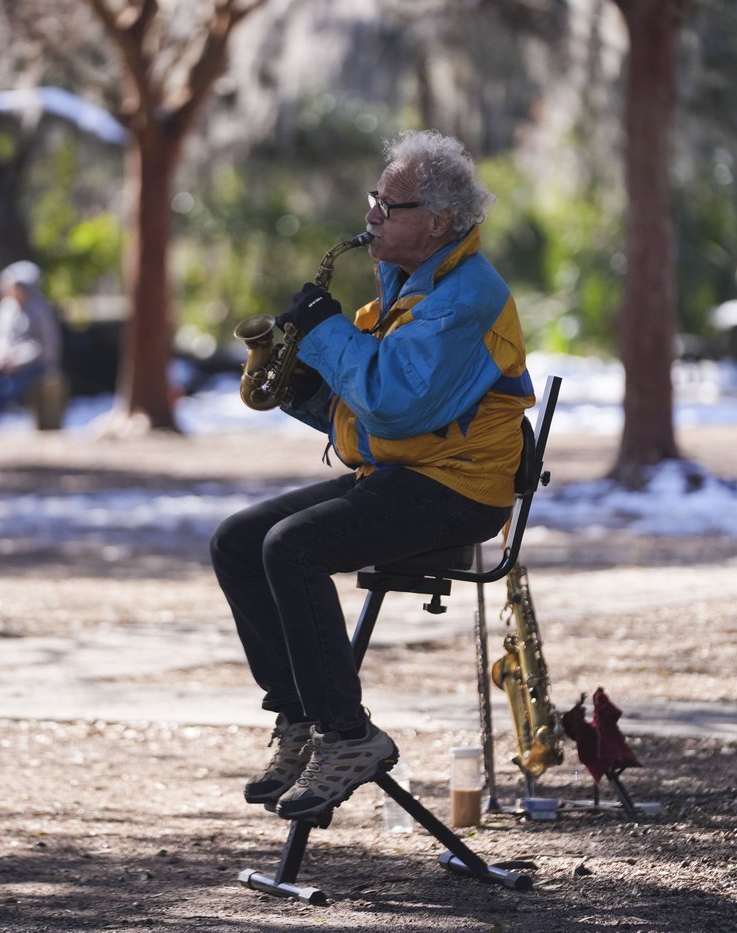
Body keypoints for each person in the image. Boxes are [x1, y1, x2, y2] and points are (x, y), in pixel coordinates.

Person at [209, 129, 535, 822]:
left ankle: (348, 737)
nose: (371, 217)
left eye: (390, 205)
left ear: (440, 222)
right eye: (373, 200)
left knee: (291, 546)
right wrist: (296, 383)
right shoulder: (410, 282)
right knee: (238, 539)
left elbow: (391, 403)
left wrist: (326, 333)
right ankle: (303, 720)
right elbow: (377, 418)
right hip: (408, 472)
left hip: (460, 490)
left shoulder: (463, 298)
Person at [0, 260, 63, 433]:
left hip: (34, 366)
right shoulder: (7, 308)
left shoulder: (39, 310)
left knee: (8, 388)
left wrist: (19, 360)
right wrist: (0, 355)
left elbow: (47, 348)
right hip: (4, 362)